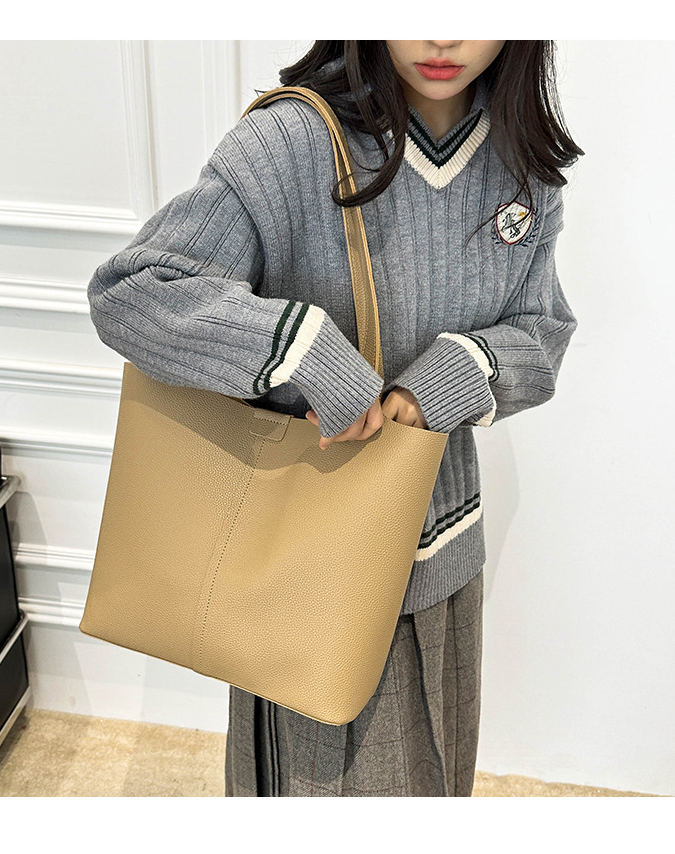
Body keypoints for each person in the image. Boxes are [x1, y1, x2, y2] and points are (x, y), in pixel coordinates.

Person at [86, 40, 582, 797]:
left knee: (438, 782)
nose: (442, 37)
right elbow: (132, 292)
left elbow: (542, 331)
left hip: (445, 551)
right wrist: (301, 349)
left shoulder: (523, 163)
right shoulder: (290, 143)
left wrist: (445, 381)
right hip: (305, 561)